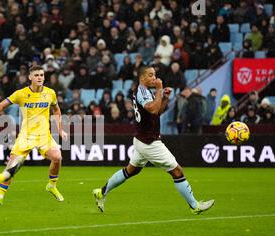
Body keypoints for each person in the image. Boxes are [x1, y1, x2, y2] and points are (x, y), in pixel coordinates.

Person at [92, 66, 214, 214]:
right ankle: (195, 206)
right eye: (150, 75)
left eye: (155, 75)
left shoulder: (146, 91)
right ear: (142, 78)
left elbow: (157, 112)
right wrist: (160, 89)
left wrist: (164, 97)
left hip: (141, 139)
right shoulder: (142, 92)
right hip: (149, 142)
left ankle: (101, 192)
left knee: (130, 171)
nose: (154, 78)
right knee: (177, 171)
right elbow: (153, 109)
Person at [0, 65, 68, 206]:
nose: (39, 77)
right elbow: (3, 104)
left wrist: (60, 130)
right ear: (30, 77)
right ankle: (0, 196)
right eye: (36, 75)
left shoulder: (50, 93)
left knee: (57, 157)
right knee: (11, 167)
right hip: (25, 136)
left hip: (43, 136)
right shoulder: (21, 94)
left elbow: (56, 110)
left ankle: (52, 186)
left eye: (41, 75)